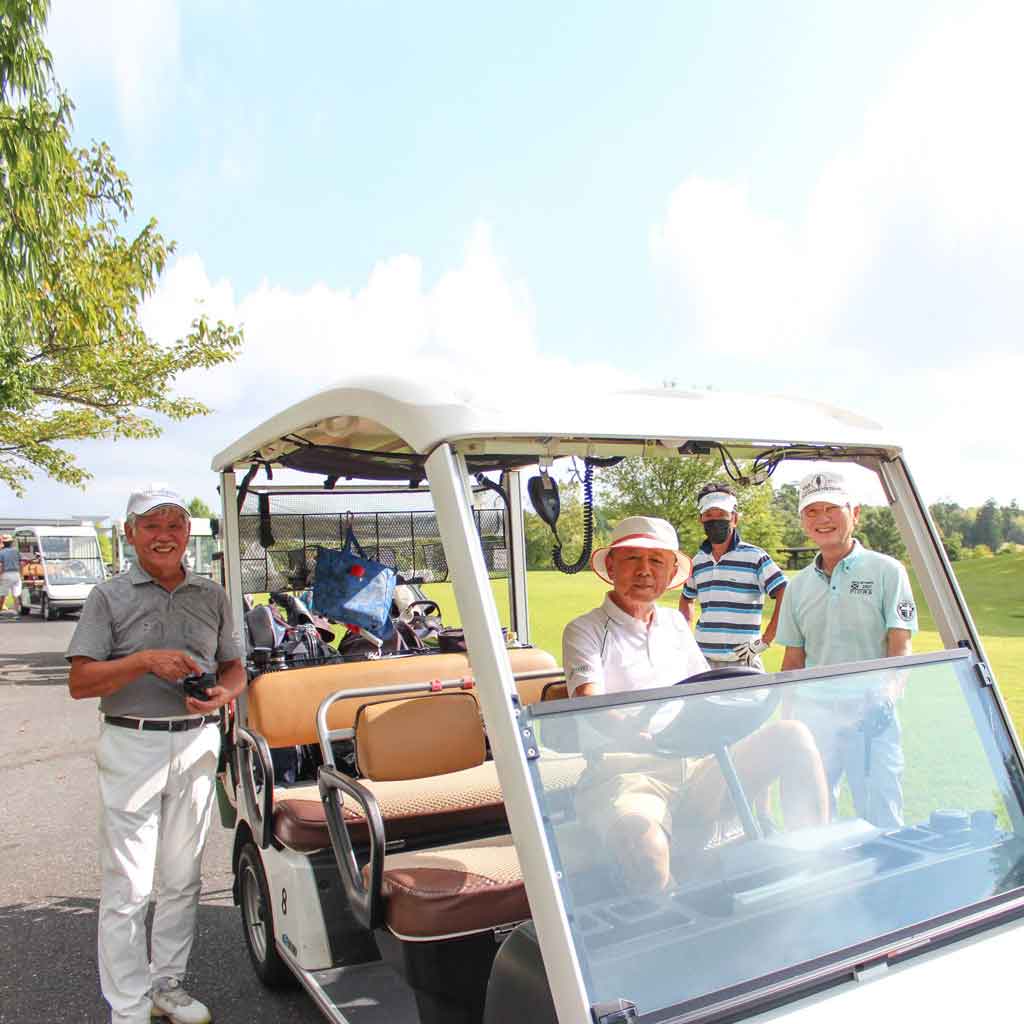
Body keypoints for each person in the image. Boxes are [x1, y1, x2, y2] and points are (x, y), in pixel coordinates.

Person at [563, 516, 828, 894]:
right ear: (610, 566)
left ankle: (814, 880)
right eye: (632, 558)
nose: (644, 570)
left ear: (672, 571)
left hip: (699, 763)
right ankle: (670, 928)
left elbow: (705, 692)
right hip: (628, 772)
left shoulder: (675, 624)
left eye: (656, 561)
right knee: (645, 848)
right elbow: (589, 701)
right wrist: (637, 734)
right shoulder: (584, 630)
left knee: (793, 736)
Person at [67, 487, 245, 1024]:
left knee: (182, 876)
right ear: (130, 534)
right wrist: (143, 660)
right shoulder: (108, 596)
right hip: (133, 740)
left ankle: (167, 985)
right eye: (151, 525)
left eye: (175, 524)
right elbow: (80, 681)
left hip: (196, 740)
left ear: (188, 534)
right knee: (129, 883)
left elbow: (235, 666)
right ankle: (127, 1005)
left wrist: (225, 694)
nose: (164, 534)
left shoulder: (211, 595)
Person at [777, 470, 918, 829]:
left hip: (871, 716)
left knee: (881, 818)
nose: (822, 519)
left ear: (854, 513)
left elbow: (899, 649)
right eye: (812, 511)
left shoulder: (888, 571)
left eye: (832, 508)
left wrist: (885, 697)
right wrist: (788, 721)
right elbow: (793, 660)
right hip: (814, 718)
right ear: (802, 522)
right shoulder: (797, 586)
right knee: (811, 823)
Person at [678, 483, 787, 669]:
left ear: (734, 518)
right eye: (709, 515)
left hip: (744, 661)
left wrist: (766, 640)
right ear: (701, 519)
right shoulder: (698, 561)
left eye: (721, 514)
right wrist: (686, 639)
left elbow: (785, 592)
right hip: (702, 661)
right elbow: (687, 598)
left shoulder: (756, 557)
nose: (714, 521)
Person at [0, 534, 22, 613]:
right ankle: (16, 612)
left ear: (3, 543)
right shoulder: (16, 551)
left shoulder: (1, 552)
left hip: (6, 574)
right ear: (11, 542)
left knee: (3, 594)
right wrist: (21, 574)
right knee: (15, 595)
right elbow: (20, 564)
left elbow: (1, 565)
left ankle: (1, 611)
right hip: (16, 574)